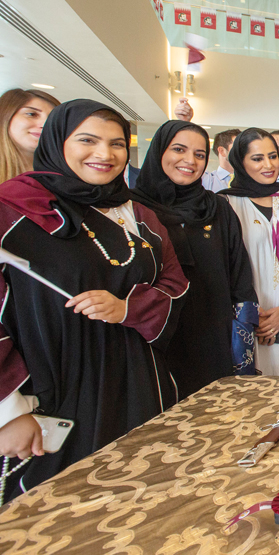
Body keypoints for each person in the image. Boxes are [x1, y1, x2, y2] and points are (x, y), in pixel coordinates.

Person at [0, 100, 188, 499]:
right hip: (52, 389)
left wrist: (129, 308)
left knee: (139, 491)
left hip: (137, 379)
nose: (105, 154)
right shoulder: (14, 207)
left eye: (117, 143)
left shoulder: (138, 212)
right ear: (57, 142)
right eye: (87, 140)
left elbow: (175, 282)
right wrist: (8, 411)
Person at [131, 121, 258, 399]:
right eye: (179, 149)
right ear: (159, 151)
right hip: (153, 341)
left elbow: (239, 276)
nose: (190, 161)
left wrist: (244, 336)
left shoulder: (217, 208)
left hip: (212, 337)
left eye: (199, 154)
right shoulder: (131, 209)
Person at [220, 128, 279, 377]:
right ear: (240, 162)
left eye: (272, 156)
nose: (269, 165)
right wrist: (256, 318)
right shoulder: (224, 205)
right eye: (257, 158)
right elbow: (222, 269)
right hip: (245, 322)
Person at [0, 88, 58, 184]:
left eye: (53, 119)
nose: (45, 124)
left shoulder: (63, 180)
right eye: (32, 114)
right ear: (5, 117)